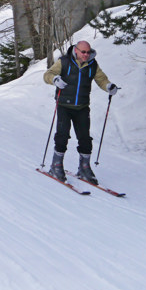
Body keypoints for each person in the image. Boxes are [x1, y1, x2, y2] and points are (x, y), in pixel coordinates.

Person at [42, 40, 118, 184]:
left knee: (85, 138)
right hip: (64, 105)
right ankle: (56, 165)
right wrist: (55, 79)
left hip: (82, 107)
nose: (86, 55)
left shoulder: (92, 65)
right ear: (76, 50)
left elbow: (101, 79)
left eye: (88, 52)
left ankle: (84, 168)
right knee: (62, 135)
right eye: (83, 52)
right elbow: (48, 75)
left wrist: (108, 86)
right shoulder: (64, 62)